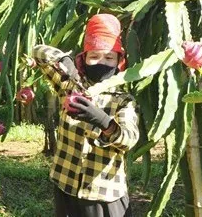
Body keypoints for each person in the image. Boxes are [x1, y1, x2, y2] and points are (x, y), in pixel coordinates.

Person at [32, 13, 139, 217]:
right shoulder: (70, 85)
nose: (101, 62)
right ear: (84, 58)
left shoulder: (122, 99)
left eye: (109, 57)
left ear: (119, 61)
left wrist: (103, 121)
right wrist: (64, 59)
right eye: (94, 56)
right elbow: (38, 52)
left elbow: (129, 139)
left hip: (103, 193)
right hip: (66, 183)